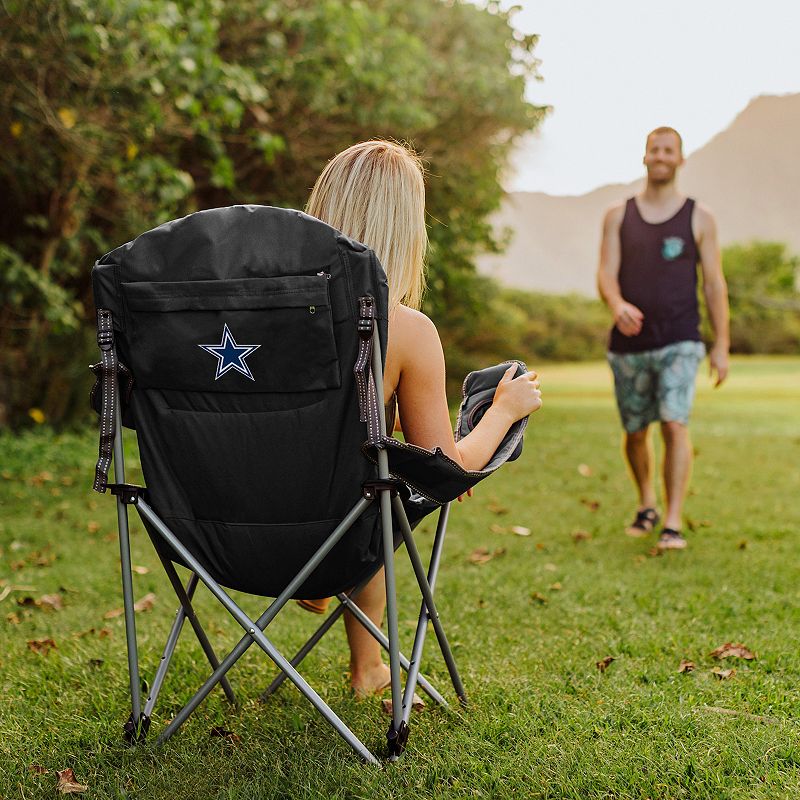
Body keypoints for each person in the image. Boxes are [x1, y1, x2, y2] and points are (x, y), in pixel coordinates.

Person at [302, 140, 543, 695]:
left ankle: (366, 665)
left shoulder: (253, 319)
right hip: (329, 535)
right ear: (405, 228)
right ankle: (362, 659)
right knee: (380, 494)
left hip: (216, 531)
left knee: (368, 479)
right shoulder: (403, 329)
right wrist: (502, 412)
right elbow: (443, 471)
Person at [597, 126, 730, 551]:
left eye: (668, 150)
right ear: (644, 157)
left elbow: (713, 285)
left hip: (680, 339)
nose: (660, 155)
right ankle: (647, 504)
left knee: (674, 423)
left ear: (680, 159)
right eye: (654, 149)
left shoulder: (699, 217)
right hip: (629, 346)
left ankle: (672, 522)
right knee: (636, 432)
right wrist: (616, 304)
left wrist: (721, 343)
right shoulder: (618, 215)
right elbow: (605, 273)